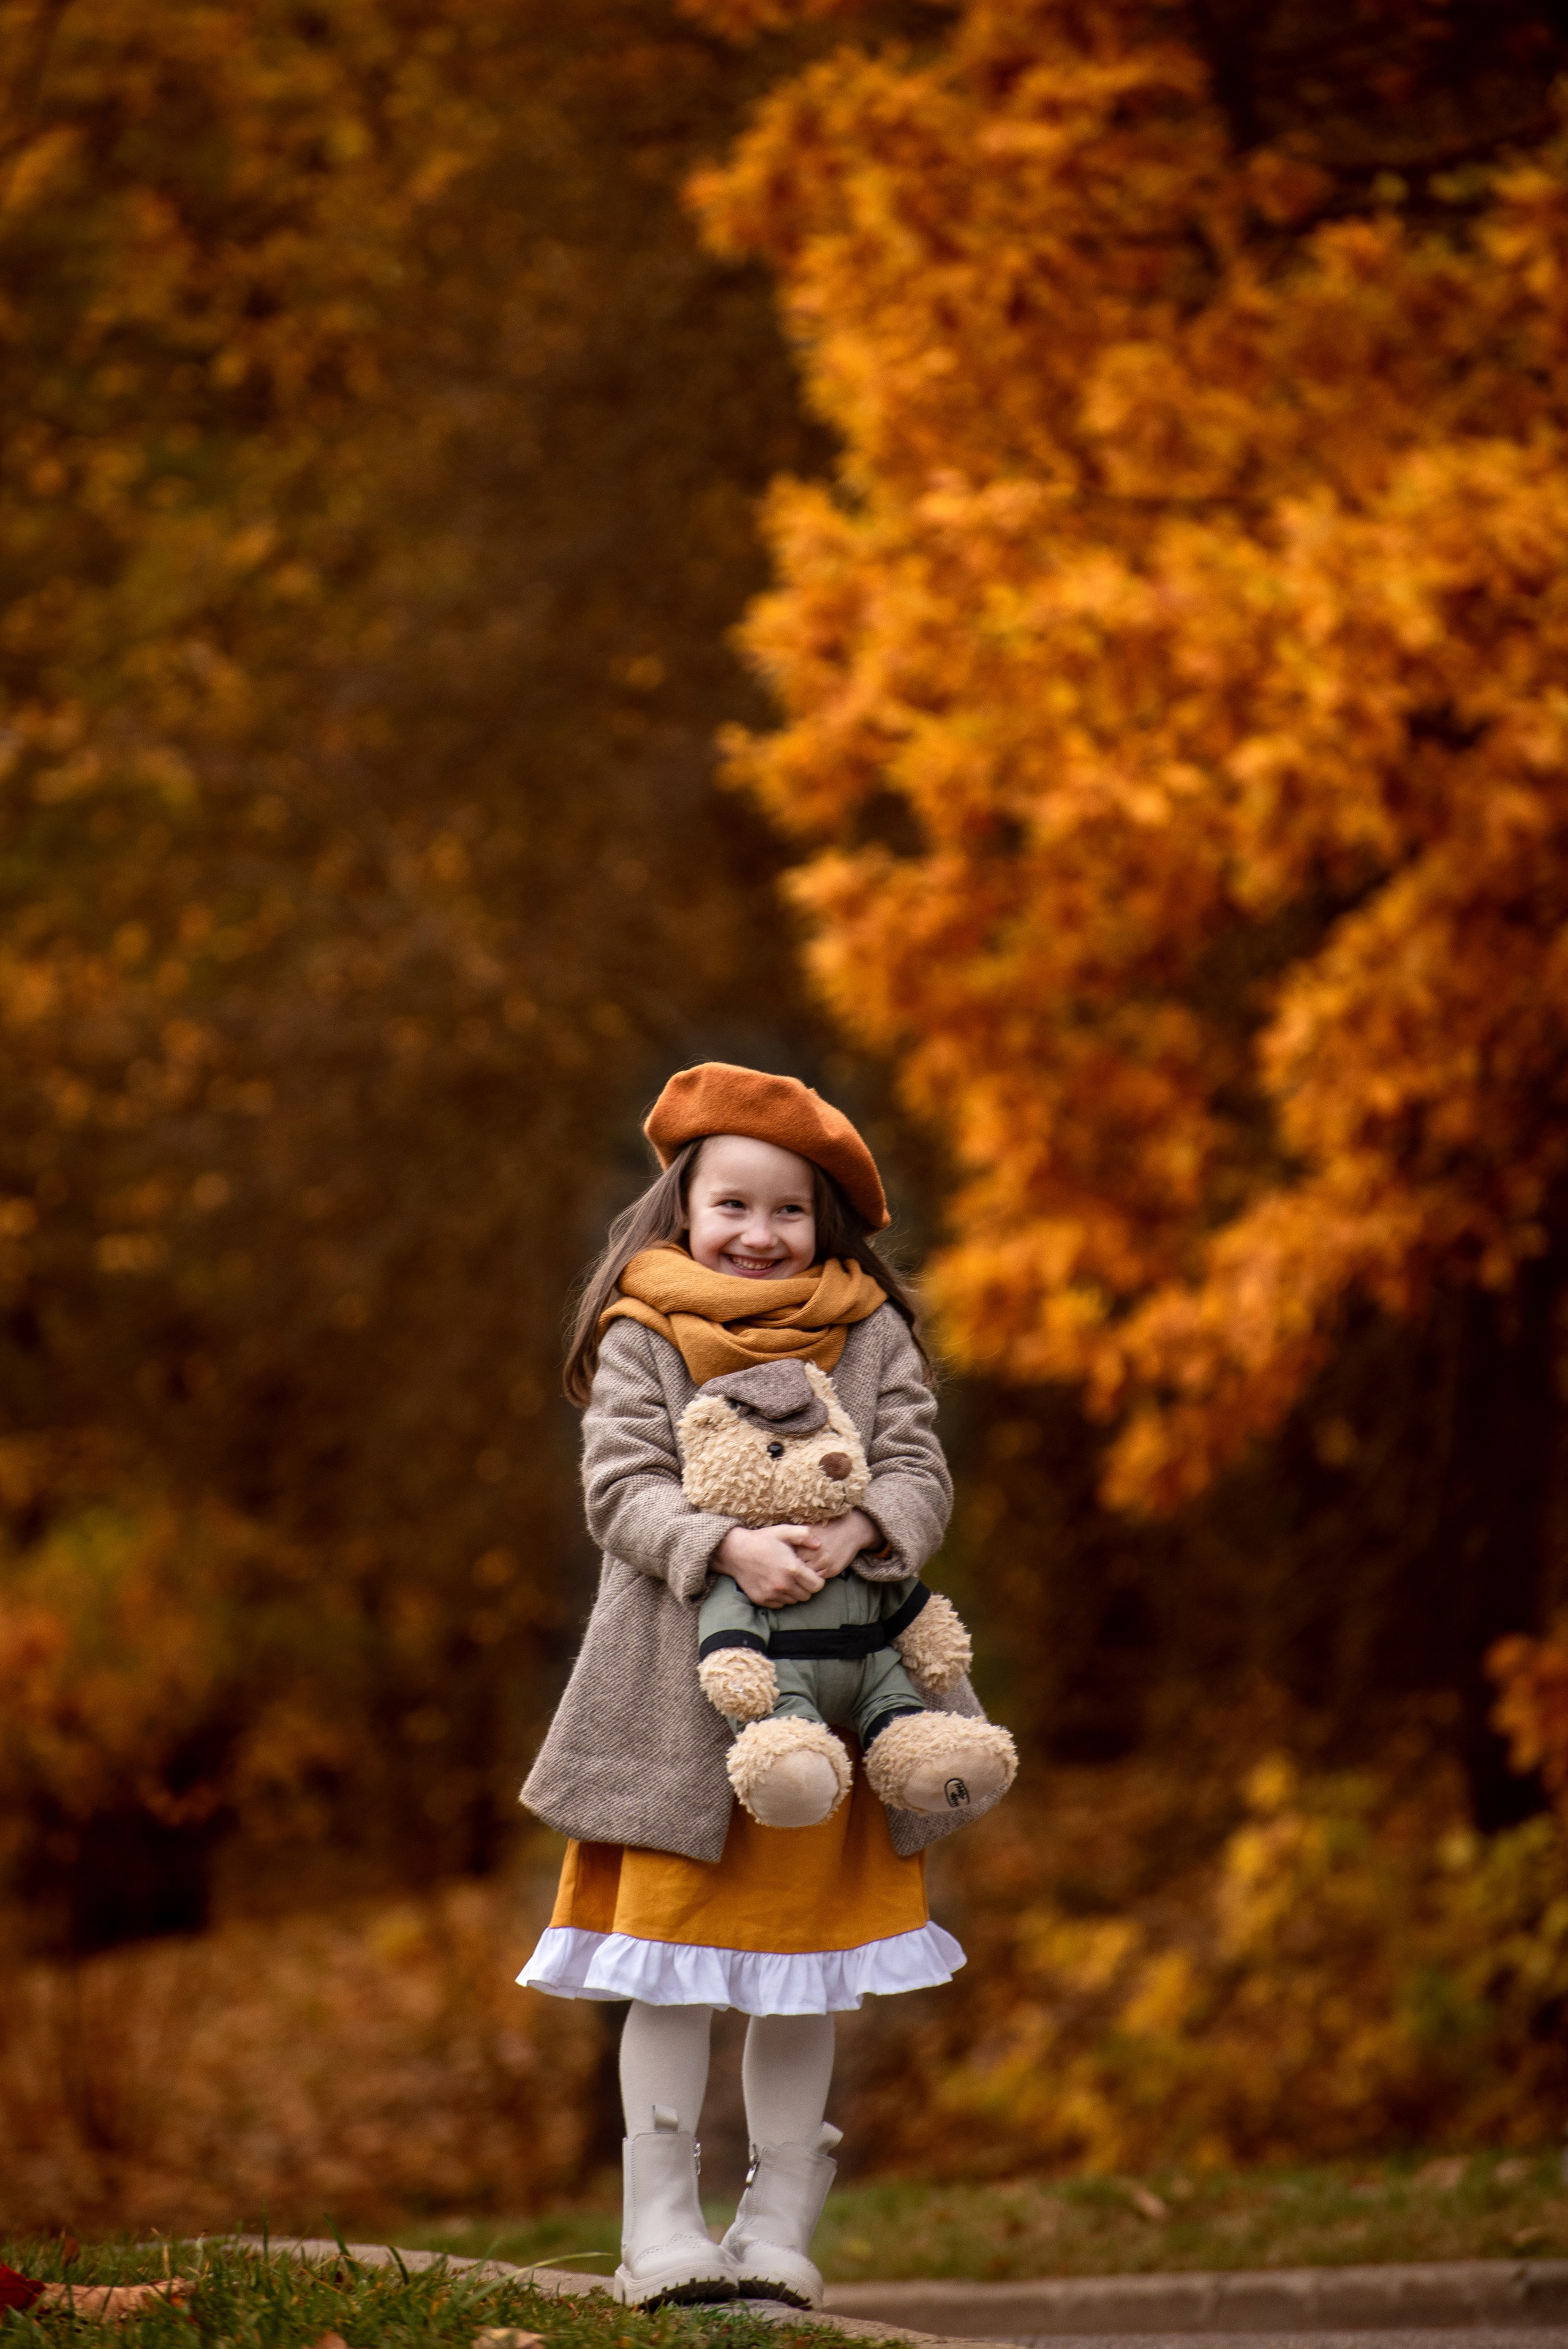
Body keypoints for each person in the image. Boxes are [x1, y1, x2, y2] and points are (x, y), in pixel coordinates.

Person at [518, 1061, 1011, 2310]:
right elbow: (619, 1489)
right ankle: (659, 2227)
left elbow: (916, 1468)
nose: (758, 1233)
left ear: (825, 1220)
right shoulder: (643, 1330)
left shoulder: (870, 1331)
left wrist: (858, 1535)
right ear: (682, 1208)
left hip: (834, 1708)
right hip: (683, 1714)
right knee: (673, 1968)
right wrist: (722, 1544)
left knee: (804, 1969)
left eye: (787, 1210)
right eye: (731, 1205)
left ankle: (779, 2224)